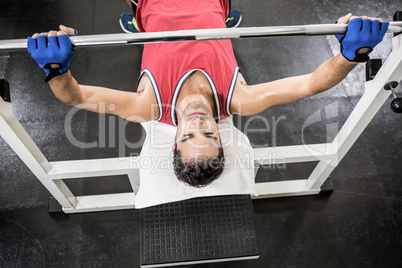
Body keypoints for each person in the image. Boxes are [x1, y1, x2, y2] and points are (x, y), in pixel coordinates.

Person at [27, 0, 388, 187]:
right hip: (213, 4)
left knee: (143, 12)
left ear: (173, 141)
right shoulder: (238, 99)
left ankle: (138, 22)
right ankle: (225, 21)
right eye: (210, 133)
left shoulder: (148, 104)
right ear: (221, 135)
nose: (199, 122)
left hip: (155, 4)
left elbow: (75, 98)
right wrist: (350, 55)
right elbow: (310, 84)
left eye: (188, 134)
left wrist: (57, 70)